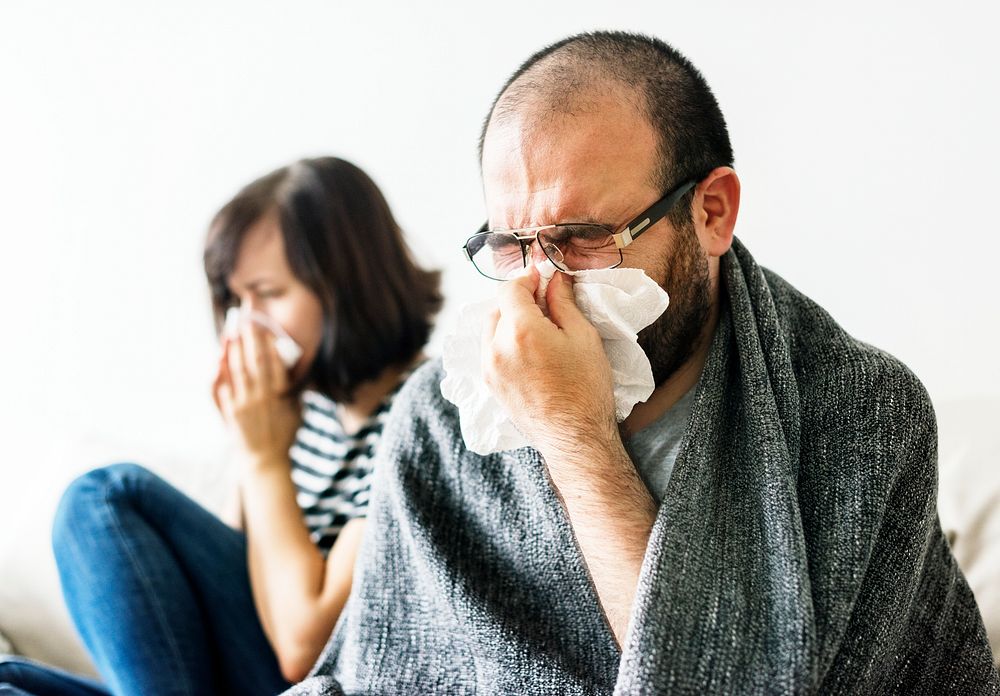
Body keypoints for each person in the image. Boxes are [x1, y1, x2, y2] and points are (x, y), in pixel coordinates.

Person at [287, 32, 1000, 695]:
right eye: (514, 245)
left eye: (585, 237)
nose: (543, 287)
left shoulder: (860, 411)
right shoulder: (444, 418)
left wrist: (575, 433)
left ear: (713, 213)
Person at [0, 156, 441, 696]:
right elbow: (238, 574)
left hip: (317, 677)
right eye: (236, 299)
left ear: (350, 286)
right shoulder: (302, 409)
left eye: (270, 294)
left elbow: (307, 649)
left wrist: (263, 458)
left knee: (102, 497)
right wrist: (250, 444)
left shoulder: (420, 417)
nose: (246, 322)